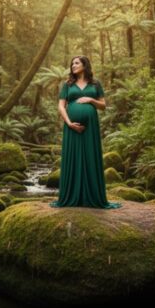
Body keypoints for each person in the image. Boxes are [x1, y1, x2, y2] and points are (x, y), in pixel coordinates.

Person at [49, 55, 121, 209]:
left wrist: (91, 100)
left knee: (90, 155)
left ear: (85, 65)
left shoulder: (95, 84)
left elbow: (103, 105)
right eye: (72, 64)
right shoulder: (68, 84)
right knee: (72, 157)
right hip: (71, 127)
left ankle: (92, 196)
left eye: (76, 63)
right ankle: (71, 195)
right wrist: (69, 123)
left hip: (91, 128)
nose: (73, 66)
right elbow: (61, 106)